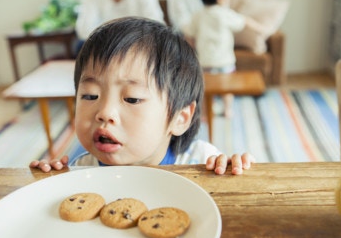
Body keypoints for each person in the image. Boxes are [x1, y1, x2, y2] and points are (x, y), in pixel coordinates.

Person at [30, 17, 254, 175]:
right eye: (90, 96)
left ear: (180, 118)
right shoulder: (82, 170)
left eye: (132, 99)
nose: (105, 113)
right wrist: (48, 181)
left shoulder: (202, 161)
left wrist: (232, 168)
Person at [182, 0, 248, 117]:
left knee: (207, 89)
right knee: (227, 88)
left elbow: (188, 31)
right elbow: (240, 23)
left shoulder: (198, 15)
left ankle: (207, 110)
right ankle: (227, 109)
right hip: (225, 62)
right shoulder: (225, 13)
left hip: (205, 62)